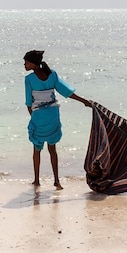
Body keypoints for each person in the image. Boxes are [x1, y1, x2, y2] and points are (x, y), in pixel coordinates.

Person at [23, 50, 92, 190]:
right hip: (53, 114)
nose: (24, 65)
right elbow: (66, 92)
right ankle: (56, 181)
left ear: (34, 64)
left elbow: (29, 103)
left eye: (26, 62)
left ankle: (36, 180)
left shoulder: (29, 79)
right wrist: (84, 101)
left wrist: (34, 118)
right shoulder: (52, 75)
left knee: (37, 148)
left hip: (39, 115)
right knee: (52, 149)